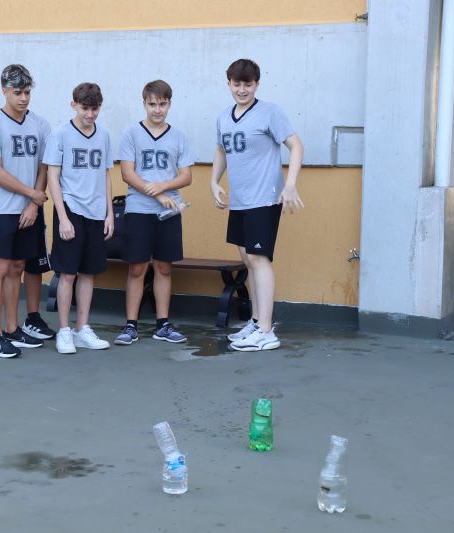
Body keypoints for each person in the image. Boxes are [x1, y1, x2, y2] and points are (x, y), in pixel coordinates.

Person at [210, 58, 304, 352]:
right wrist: (214, 181)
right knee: (248, 260)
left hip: (264, 198)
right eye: (236, 84)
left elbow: (296, 146)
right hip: (240, 201)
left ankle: (266, 330)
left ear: (257, 85)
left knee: (259, 259)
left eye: (248, 84)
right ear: (229, 84)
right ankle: (255, 321)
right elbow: (221, 150)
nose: (242, 90)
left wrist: (290, 184)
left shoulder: (269, 112)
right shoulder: (224, 117)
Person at [0, 64, 53, 358]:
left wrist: (33, 204)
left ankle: (11, 328)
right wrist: (32, 194)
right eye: (17, 92)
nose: (23, 98)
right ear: (4, 91)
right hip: (1, 210)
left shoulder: (40, 125)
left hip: (28, 210)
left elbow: (44, 167)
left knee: (18, 267)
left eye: (27, 92)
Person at [114, 80, 193, 346]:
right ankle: (131, 325)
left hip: (169, 212)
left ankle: (163, 324)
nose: (157, 109)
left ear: (169, 104)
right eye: (152, 104)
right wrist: (157, 194)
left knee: (164, 267)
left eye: (162, 104)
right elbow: (128, 173)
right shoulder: (131, 133)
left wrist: (165, 186)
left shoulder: (178, 136)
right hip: (139, 209)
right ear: (144, 104)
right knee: (137, 268)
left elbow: (186, 176)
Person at [44, 83, 114, 354]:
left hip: (96, 212)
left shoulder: (104, 136)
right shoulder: (60, 135)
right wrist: (63, 217)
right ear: (73, 104)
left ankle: (82, 328)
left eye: (95, 109)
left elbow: (106, 174)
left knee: (88, 273)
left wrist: (109, 213)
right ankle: (64, 331)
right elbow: (52, 177)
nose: (90, 114)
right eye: (85, 108)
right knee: (68, 274)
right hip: (71, 209)